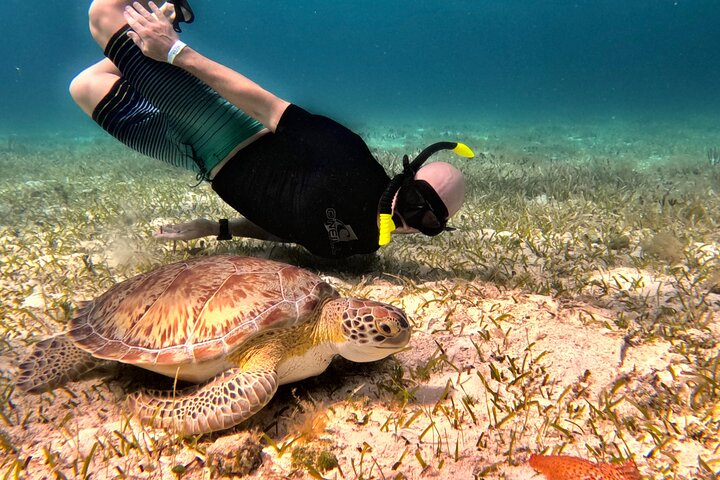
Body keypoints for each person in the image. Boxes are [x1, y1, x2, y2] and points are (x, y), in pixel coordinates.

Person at [70, 0, 474, 259]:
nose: (409, 220)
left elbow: (292, 231)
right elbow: (264, 104)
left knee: (85, 88)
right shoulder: (348, 156)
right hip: (223, 129)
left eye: (428, 224)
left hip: (196, 161)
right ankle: (167, 19)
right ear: (408, 176)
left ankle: (156, 28)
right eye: (417, 202)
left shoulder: (367, 242)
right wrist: (175, 52)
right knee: (104, 13)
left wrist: (220, 228)